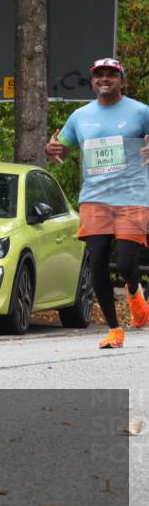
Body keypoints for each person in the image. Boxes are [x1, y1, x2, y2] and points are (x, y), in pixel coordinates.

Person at [45, 57, 149, 349]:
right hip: (95, 198)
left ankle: (133, 290)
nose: (105, 79)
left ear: (121, 80)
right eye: (99, 75)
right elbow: (61, 151)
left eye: (111, 75)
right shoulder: (80, 116)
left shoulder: (141, 112)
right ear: (92, 81)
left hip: (132, 196)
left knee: (127, 262)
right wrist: (53, 149)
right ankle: (115, 330)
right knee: (98, 260)